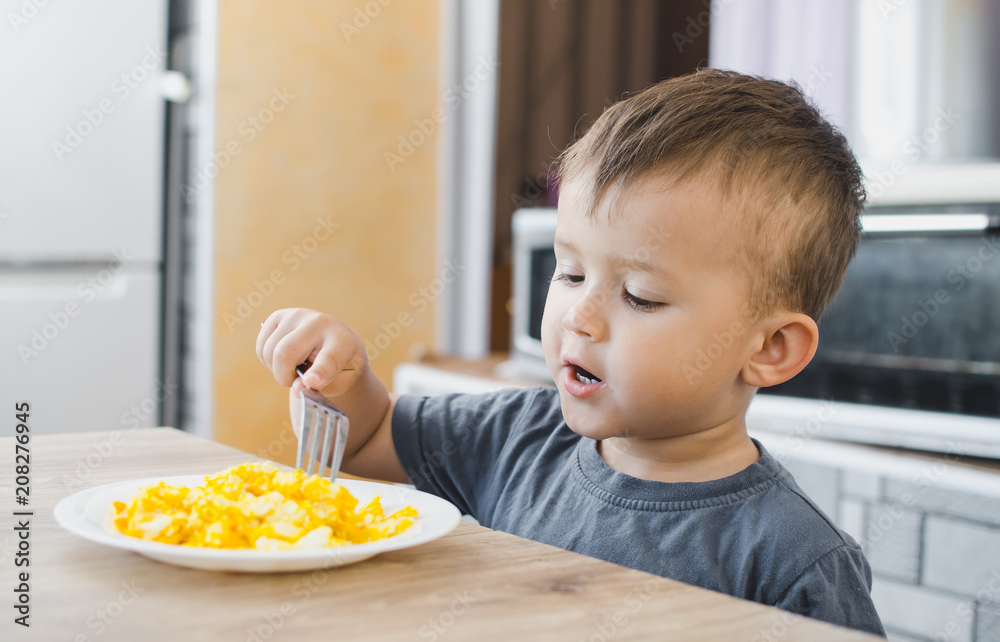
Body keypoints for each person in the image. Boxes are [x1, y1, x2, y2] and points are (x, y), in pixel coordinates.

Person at [257, 69, 885, 636]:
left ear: (770, 348)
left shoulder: (792, 564)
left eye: (639, 296)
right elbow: (366, 442)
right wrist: (344, 376)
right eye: (569, 273)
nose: (579, 318)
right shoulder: (518, 436)